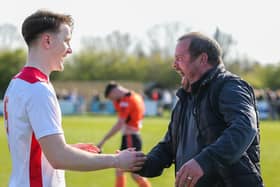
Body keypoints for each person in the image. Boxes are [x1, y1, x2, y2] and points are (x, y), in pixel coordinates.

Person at [2, 10, 145, 187]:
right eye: (66, 41)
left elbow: (32, 147)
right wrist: (116, 160)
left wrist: (71, 150)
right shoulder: (38, 89)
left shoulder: (17, 83)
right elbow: (58, 157)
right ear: (47, 40)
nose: (70, 49)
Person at [136, 32, 264, 187]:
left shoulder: (229, 86)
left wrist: (204, 161)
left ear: (202, 59)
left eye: (179, 59)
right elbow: (169, 147)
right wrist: (140, 164)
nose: (174, 65)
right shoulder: (186, 97)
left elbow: (244, 127)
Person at [97, 82, 151, 187]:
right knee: (121, 169)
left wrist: (103, 141)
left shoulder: (126, 101)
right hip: (132, 136)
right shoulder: (136, 96)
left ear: (114, 91)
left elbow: (120, 124)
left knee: (132, 172)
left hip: (130, 137)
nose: (112, 101)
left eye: (111, 98)